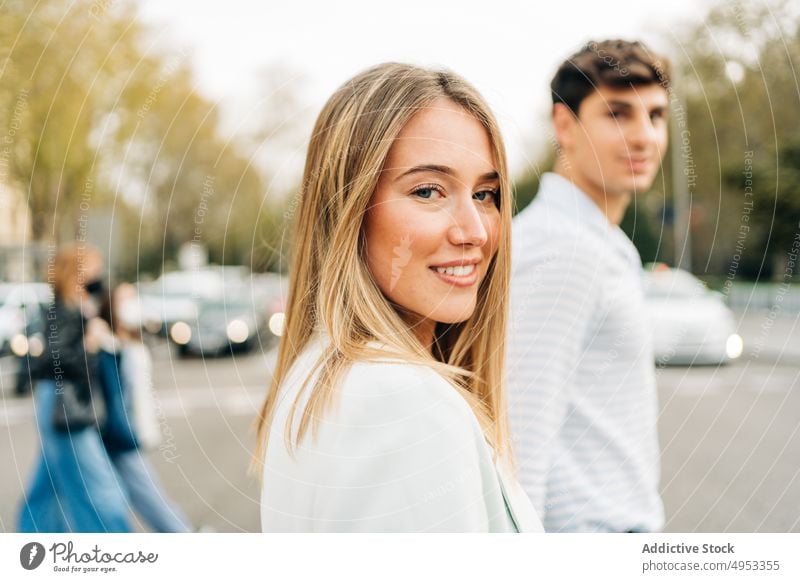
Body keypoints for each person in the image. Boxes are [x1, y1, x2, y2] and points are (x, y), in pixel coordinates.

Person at [255, 62, 542, 533]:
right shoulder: (406, 403)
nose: (475, 231)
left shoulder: (319, 379)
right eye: (428, 191)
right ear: (346, 210)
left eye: (486, 194)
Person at [507, 39, 670, 532]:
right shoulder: (562, 250)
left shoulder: (593, 242)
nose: (644, 137)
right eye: (618, 114)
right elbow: (520, 441)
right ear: (564, 125)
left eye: (657, 116)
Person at [17, 243, 131, 533]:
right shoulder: (62, 312)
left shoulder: (77, 309)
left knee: (48, 488)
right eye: (93, 268)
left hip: (61, 403)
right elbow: (50, 362)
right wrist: (91, 347)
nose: (99, 275)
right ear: (74, 273)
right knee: (100, 488)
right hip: (65, 403)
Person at [97, 283, 192, 533]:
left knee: (129, 494)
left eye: (133, 297)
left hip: (135, 430)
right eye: (124, 299)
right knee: (147, 495)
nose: (131, 304)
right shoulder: (109, 345)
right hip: (121, 433)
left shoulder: (135, 339)